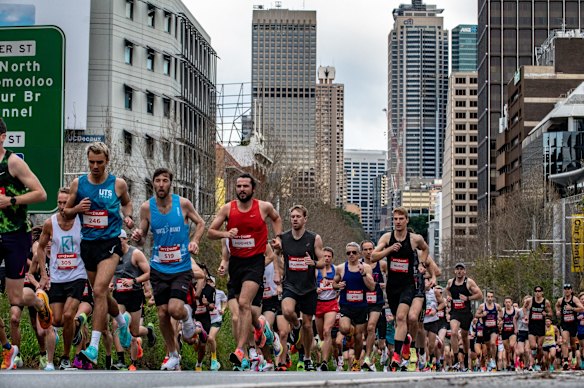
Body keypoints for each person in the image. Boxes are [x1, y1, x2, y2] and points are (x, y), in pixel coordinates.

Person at [63, 142, 134, 364]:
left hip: (110, 243)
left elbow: (127, 203)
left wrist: (128, 216)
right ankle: (123, 324)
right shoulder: (79, 184)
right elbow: (65, 212)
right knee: (101, 294)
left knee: (100, 290)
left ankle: (93, 347)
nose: (95, 166)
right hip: (88, 245)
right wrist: (76, 209)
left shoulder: (118, 184)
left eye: (99, 162)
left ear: (107, 161)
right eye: (92, 162)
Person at [131, 167, 205, 371]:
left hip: (181, 266)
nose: (161, 184)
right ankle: (173, 354)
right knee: (163, 313)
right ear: (153, 184)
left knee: (175, 309)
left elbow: (200, 223)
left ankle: (188, 319)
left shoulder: (182, 204)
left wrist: (195, 241)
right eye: (158, 181)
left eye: (165, 180)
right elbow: (143, 238)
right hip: (158, 267)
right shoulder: (147, 208)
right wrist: (138, 237)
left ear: (170, 183)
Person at [208, 173, 282, 370]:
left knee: (243, 304)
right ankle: (262, 329)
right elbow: (210, 232)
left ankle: (241, 350)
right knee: (243, 313)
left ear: (253, 189)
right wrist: (226, 233)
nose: (241, 189)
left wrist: (279, 238)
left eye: (245, 186)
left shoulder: (263, 207)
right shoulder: (228, 209)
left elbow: (276, 218)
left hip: (255, 261)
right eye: (238, 186)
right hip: (236, 263)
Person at [0, 118, 48, 368]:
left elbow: (41, 193)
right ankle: (8, 348)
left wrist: (12, 201)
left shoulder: (13, 162)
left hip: (15, 233)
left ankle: (39, 302)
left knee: (16, 297)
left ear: (2, 137)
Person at [370, 207, 431, 371]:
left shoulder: (414, 239)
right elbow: (372, 256)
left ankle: (396, 356)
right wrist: (389, 250)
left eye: (401, 219)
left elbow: (425, 248)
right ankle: (405, 342)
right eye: (395, 219)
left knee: (403, 317)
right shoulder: (386, 237)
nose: (397, 222)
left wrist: (422, 265)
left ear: (406, 220)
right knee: (399, 320)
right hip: (392, 287)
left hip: (408, 285)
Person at [35, 187, 88, 370]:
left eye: (66, 203)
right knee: (57, 320)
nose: (62, 206)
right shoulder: (50, 223)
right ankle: (76, 327)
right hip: (58, 277)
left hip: (77, 275)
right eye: (59, 202)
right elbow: (40, 248)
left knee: (67, 314)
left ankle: (65, 357)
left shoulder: (81, 221)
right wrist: (44, 273)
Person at [276, 204, 325, 372]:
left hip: (308, 287)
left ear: (305, 219)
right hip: (290, 284)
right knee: (287, 311)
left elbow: (322, 261)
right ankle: (295, 329)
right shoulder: (284, 237)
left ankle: (307, 357)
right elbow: (275, 255)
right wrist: (277, 272)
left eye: (298, 216)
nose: (295, 219)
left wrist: (314, 263)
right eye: (293, 217)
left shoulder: (314, 238)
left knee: (308, 325)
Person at [111, 230, 150, 371]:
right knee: (115, 324)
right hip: (119, 294)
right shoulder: (112, 254)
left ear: (126, 239)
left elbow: (148, 272)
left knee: (134, 332)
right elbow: (110, 272)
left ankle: (148, 332)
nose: (117, 242)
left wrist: (134, 281)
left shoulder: (135, 254)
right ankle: (120, 359)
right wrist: (110, 283)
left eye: (120, 239)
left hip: (134, 294)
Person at [333, 242, 376, 372]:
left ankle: (356, 361)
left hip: (361, 306)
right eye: (348, 253)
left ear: (358, 254)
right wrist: (337, 286)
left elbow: (372, 286)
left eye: (354, 252)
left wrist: (363, 274)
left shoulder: (366, 267)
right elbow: (334, 283)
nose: (351, 255)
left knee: (358, 337)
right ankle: (349, 331)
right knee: (345, 329)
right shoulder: (341, 268)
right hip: (346, 305)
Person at [445, 262, 482, 371]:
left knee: (465, 337)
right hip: (455, 312)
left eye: (461, 269)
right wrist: (449, 297)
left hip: (465, 313)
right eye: (457, 269)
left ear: (464, 271)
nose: (459, 271)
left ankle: (465, 360)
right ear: (455, 271)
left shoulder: (469, 282)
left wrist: (468, 298)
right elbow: (446, 290)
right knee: (454, 332)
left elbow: (479, 294)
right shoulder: (450, 282)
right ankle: (456, 360)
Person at [360, 240, 386, 372]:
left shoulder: (381, 264)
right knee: (363, 332)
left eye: (371, 249)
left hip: (377, 301)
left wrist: (385, 285)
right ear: (362, 251)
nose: (369, 252)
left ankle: (368, 358)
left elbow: (393, 277)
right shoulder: (358, 265)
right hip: (361, 301)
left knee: (371, 327)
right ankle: (367, 360)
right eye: (365, 249)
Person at [315, 247, 339, 371]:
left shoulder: (336, 270)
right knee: (322, 337)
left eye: (329, 256)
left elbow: (341, 285)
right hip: (318, 304)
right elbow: (309, 285)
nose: (327, 258)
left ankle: (324, 362)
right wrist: (315, 289)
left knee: (327, 331)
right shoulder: (316, 271)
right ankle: (325, 353)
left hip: (331, 304)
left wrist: (337, 289)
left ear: (332, 258)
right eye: (324, 256)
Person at [555, 283, 584, 370]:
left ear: (571, 290)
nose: (567, 291)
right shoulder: (561, 300)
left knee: (573, 344)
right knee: (564, 341)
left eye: (568, 289)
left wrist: (572, 308)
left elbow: (582, 308)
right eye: (565, 289)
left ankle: (574, 356)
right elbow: (557, 306)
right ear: (564, 290)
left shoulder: (574, 299)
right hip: (565, 324)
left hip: (573, 324)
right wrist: (558, 311)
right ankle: (566, 360)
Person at [475, 291, 502, 371]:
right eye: (488, 297)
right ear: (486, 297)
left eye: (491, 297)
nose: (490, 298)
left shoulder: (496, 306)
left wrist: (499, 319)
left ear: (493, 298)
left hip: (494, 328)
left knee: (493, 343)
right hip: (485, 328)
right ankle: (490, 359)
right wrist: (482, 315)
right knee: (488, 347)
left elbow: (501, 312)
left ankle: (493, 360)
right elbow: (476, 315)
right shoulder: (482, 306)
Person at [527, 285, 553, 371]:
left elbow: (551, 314)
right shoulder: (530, 301)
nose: (537, 293)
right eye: (536, 291)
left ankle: (538, 362)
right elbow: (523, 307)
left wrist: (546, 314)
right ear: (534, 292)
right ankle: (531, 364)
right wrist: (526, 316)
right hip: (532, 326)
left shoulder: (546, 302)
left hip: (541, 326)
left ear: (542, 292)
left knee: (540, 347)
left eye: (539, 291)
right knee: (533, 346)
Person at [500, 296, 518, 371]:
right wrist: (500, 323)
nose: (507, 303)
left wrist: (517, 328)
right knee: (507, 350)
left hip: (512, 331)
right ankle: (509, 363)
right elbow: (499, 319)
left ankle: (513, 361)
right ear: (504, 303)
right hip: (504, 332)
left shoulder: (516, 310)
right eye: (506, 302)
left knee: (511, 345)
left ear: (511, 303)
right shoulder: (502, 310)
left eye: (509, 302)